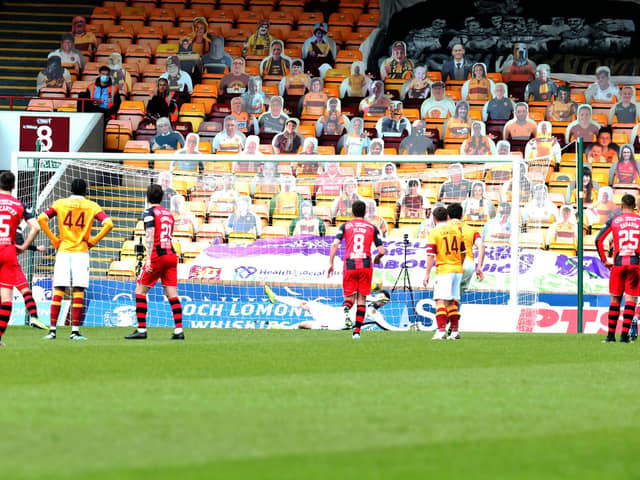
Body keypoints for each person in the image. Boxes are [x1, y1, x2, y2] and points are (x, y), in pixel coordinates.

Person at [38, 178, 113, 341]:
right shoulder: (92, 206)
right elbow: (108, 223)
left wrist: (54, 239)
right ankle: (75, 331)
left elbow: (41, 218)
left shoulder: (60, 203)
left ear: (71, 190)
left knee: (58, 288)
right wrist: (93, 241)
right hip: (81, 252)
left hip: (64, 250)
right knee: (78, 290)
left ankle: (52, 331)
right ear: (85, 191)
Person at [124, 184, 184, 340]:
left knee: (140, 291)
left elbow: (150, 236)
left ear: (147, 197)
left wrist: (149, 258)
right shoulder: (169, 214)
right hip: (171, 254)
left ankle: (142, 330)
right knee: (172, 294)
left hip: (158, 254)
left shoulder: (149, 213)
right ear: (162, 198)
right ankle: (179, 330)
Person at [328, 200, 386, 339]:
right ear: (365, 212)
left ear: (352, 212)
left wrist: (331, 263)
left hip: (350, 264)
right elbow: (382, 251)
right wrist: (378, 258)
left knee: (349, 298)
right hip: (365, 264)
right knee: (362, 299)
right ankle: (357, 332)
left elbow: (335, 244)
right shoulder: (372, 228)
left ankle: (347, 307)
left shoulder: (345, 226)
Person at [0, 173, 41, 345]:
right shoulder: (19, 205)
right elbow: (36, 227)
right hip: (8, 250)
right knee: (7, 299)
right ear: (14, 186)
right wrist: (24, 247)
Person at [595, 194, 640, 343]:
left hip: (619, 262)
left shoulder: (614, 220)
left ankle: (610, 337)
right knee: (630, 299)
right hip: (635, 262)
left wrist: (604, 260)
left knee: (615, 298)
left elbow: (598, 239)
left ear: (621, 206)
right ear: (634, 206)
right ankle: (624, 336)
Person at [263, 284, 392, 330]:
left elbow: (388, 327)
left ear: (384, 304)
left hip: (337, 325)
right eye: (378, 296)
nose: (379, 300)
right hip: (334, 312)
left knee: (304, 325)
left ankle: (282, 328)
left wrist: (406, 330)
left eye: (382, 300)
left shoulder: (376, 315)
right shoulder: (365, 300)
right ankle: (276, 298)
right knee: (305, 304)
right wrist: (374, 295)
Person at [423, 205, 465, 340]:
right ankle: (455, 332)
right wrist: (458, 264)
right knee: (452, 301)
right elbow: (463, 252)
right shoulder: (457, 231)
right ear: (448, 217)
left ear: (434, 219)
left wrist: (427, 273)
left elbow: (430, 255)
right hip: (457, 269)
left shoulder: (434, 232)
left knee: (440, 300)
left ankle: (441, 331)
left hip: (444, 269)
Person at [446, 202, 484, 307]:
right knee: (455, 294)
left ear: (448, 216)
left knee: (444, 296)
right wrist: (479, 266)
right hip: (468, 264)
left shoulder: (442, 229)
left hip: (451, 263)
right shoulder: (471, 229)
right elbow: (481, 246)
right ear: (462, 216)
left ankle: (446, 319)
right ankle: (452, 318)